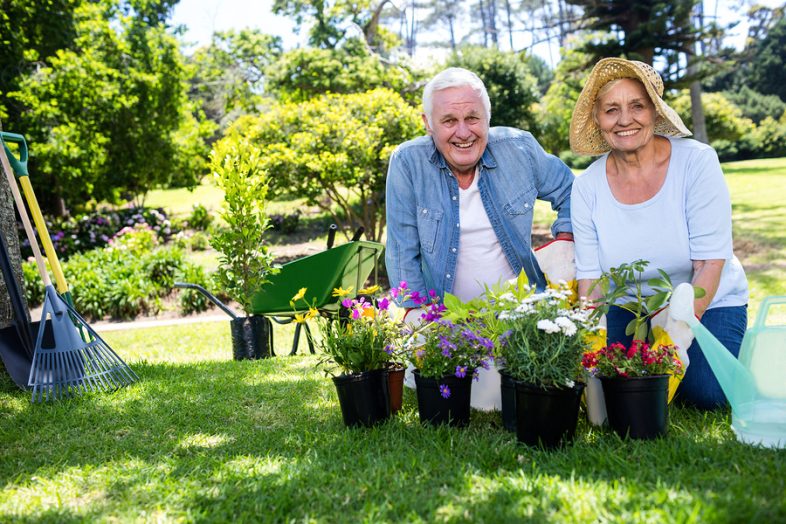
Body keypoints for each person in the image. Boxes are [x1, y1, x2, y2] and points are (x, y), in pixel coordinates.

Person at [385, 67, 575, 409]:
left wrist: (565, 239)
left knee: (510, 393)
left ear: (487, 117)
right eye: (448, 121)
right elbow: (402, 251)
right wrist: (421, 319)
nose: (463, 132)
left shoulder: (519, 148)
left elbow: (572, 190)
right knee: (457, 393)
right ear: (427, 123)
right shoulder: (408, 163)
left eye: (473, 117)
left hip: (518, 317)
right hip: (444, 322)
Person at [569, 57, 749, 410]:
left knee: (706, 396)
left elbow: (710, 264)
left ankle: (732, 345)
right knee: (609, 386)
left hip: (708, 299)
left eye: (637, 105)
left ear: (654, 111)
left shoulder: (696, 163)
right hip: (631, 306)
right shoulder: (587, 186)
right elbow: (590, 279)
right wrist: (589, 346)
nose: (624, 120)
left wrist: (672, 341)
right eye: (611, 110)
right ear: (598, 120)